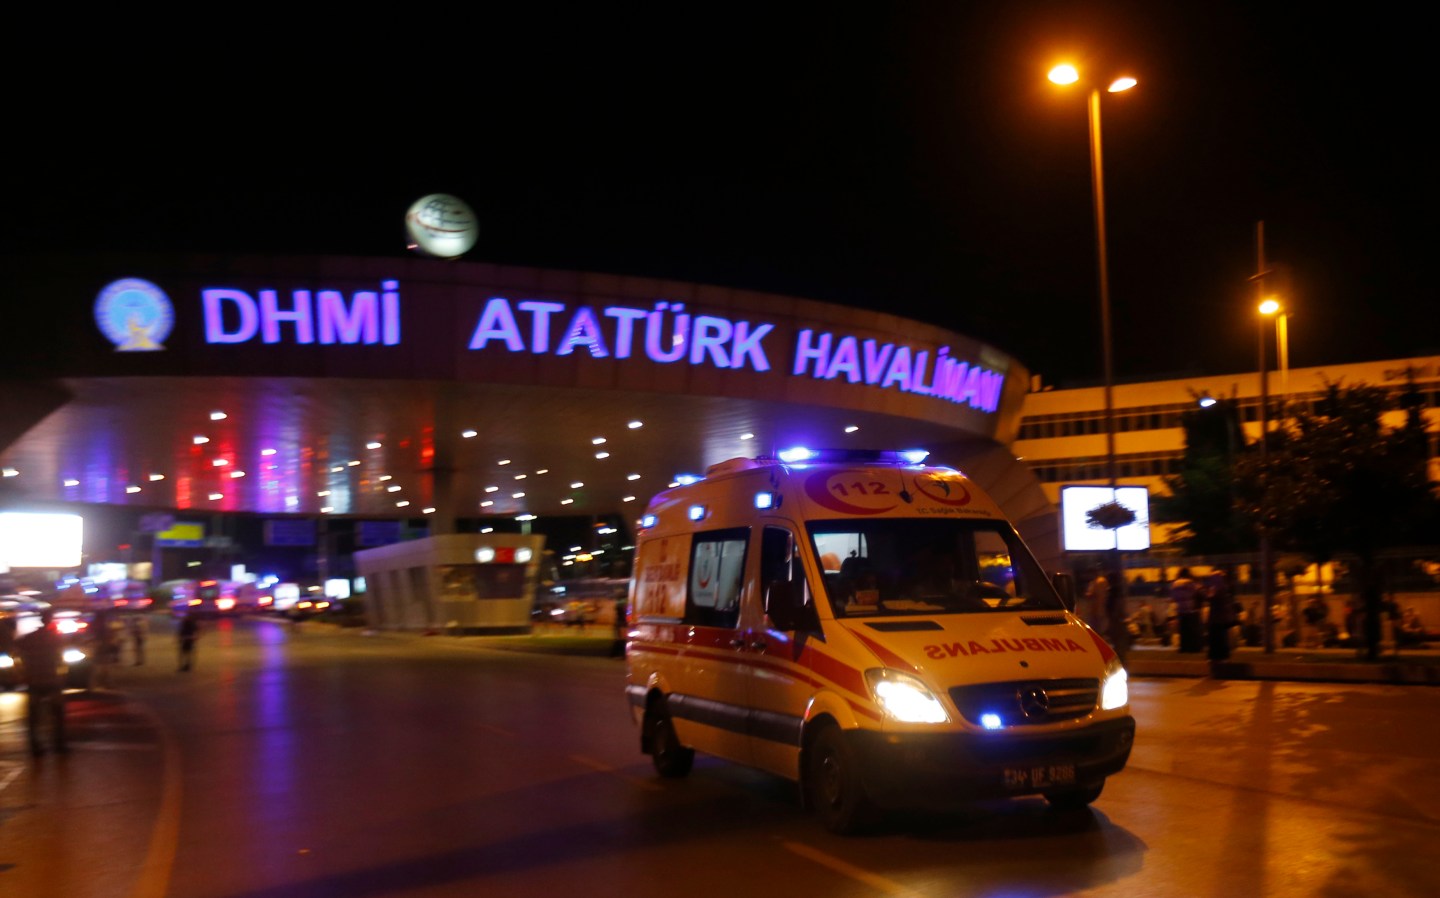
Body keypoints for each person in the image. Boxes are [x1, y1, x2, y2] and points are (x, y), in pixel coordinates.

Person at [17, 608, 68, 756]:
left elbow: (17, 653)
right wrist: (62, 676)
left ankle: (36, 747)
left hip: (34, 680)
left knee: (34, 717)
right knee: (57, 714)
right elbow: (61, 659)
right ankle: (59, 744)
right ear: (50, 620)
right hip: (51, 680)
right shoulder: (55, 638)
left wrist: (21, 673)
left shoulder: (29, 638)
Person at [1170, 568, 1203, 653]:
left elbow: (1174, 597)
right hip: (1192, 610)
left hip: (1181, 610)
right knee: (1193, 630)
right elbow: (1198, 593)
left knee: (1183, 631)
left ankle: (1184, 647)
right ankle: (1195, 648)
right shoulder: (1192, 583)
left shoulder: (1175, 584)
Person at [1204, 570, 1233, 662]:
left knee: (1216, 637)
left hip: (1216, 617)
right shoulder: (1223, 588)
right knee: (1220, 637)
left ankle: (1216, 656)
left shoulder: (1217, 589)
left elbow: (1212, 599)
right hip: (1220, 617)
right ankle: (1221, 655)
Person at [1084, 568, 1110, 634]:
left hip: (1095, 608)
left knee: (1096, 625)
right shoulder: (1103, 580)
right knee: (1101, 624)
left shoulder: (1095, 582)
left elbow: (1092, 594)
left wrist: (1088, 594)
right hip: (1103, 606)